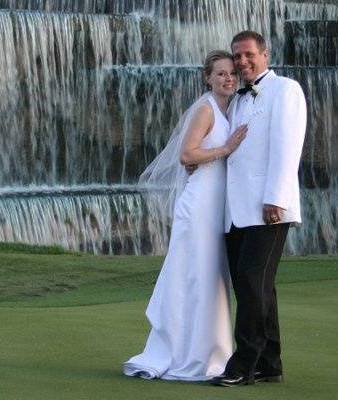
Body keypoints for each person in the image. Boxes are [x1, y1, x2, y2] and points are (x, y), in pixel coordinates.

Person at [123, 51, 248, 381]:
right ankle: (185, 355)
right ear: (208, 77)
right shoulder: (206, 109)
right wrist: (225, 149)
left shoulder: (232, 108)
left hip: (216, 207)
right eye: (220, 73)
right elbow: (186, 154)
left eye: (232, 73)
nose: (228, 78)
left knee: (210, 279)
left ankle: (210, 353)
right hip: (199, 206)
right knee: (192, 277)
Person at [211, 31, 307, 387]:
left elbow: (287, 146)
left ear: (265, 54)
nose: (242, 61)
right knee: (257, 287)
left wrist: (276, 199)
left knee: (252, 282)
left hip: (269, 208)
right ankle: (271, 363)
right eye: (237, 56)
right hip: (236, 210)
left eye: (249, 54)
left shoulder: (286, 90)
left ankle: (243, 365)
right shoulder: (236, 99)